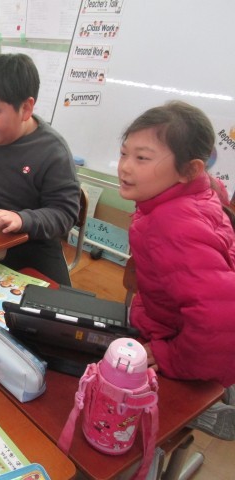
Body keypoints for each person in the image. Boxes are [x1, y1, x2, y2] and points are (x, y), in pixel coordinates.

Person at [118, 100, 235, 440]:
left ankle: (195, 405)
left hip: (182, 342)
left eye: (142, 158)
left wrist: (169, 357)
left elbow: (220, 320)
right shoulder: (201, 191)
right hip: (169, 320)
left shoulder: (172, 224)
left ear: (189, 169)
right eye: (124, 153)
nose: (124, 167)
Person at [0, 53, 80, 286]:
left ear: (26, 108)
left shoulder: (52, 150)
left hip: (29, 243)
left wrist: (22, 219)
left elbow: (64, 213)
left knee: (51, 307)